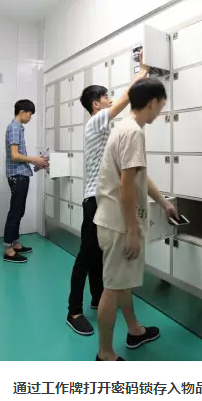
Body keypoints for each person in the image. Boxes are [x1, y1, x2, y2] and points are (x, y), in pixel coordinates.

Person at [93, 77, 178, 361]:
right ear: (152, 103)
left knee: (122, 282)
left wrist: (164, 203)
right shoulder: (133, 133)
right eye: (161, 105)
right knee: (112, 288)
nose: (161, 111)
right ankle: (105, 353)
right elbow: (126, 185)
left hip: (113, 221)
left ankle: (135, 330)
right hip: (119, 225)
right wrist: (131, 229)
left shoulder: (126, 128)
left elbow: (139, 175)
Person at [66, 57, 150, 336]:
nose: (110, 100)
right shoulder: (96, 122)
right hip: (95, 200)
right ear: (96, 104)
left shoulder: (101, 127)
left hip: (99, 199)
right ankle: (73, 311)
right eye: (105, 97)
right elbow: (125, 100)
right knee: (86, 255)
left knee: (98, 255)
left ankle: (96, 296)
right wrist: (143, 72)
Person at [3, 99, 48, 264]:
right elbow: (15, 156)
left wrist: (36, 163)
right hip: (18, 176)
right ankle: (8, 250)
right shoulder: (15, 128)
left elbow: (19, 156)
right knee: (15, 212)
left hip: (20, 174)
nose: (30, 118)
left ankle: (14, 243)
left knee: (19, 211)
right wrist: (35, 159)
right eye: (30, 114)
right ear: (22, 112)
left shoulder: (17, 128)